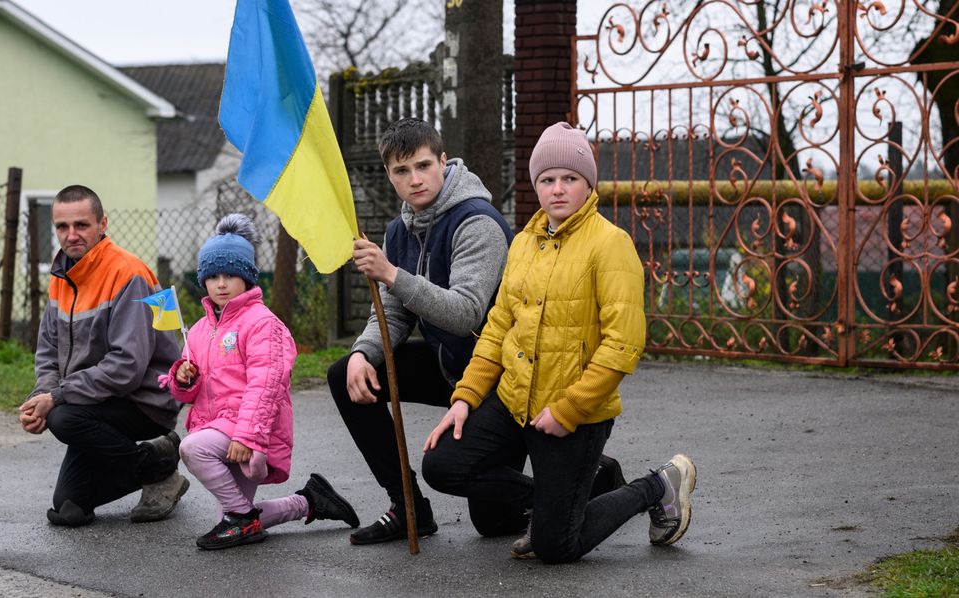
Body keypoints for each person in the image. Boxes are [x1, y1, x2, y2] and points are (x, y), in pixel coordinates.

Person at [420, 122, 697, 563]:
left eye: (569, 178)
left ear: (588, 183)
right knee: (442, 464)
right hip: (514, 400)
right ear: (536, 186)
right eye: (547, 180)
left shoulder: (610, 244)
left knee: (556, 547)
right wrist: (465, 398)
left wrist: (570, 409)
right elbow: (496, 328)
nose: (558, 189)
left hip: (575, 413)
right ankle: (559, 505)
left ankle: (657, 485)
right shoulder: (524, 243)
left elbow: (623, 343)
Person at [327, 117, 520, 545]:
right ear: (389, 175)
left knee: (496, 523)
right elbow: (394, 314)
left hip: (500, 381)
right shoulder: (399, 230)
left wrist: (392, 274)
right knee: (346, 373)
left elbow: (465, 313)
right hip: (450, 368)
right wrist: (363, 353)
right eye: (402, 170)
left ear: (443, 162)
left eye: (423, 165)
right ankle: (407, 506)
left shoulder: (477, 222)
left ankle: (589, 477)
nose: (415, 180)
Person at [165, 214, 360, 550]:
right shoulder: (198, 330)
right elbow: (191, 390)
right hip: (217, 425)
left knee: (191, 448)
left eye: (230, 275)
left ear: (247, 277)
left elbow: (266, 385)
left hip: (247, 429)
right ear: (203, 281)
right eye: (212, 276)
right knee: (230, 516)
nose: (221, 283)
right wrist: (183, 378)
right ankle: (309, 502)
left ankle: (241, 518)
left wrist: (247, 436)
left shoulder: (262, 324)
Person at [19, 184, 188, 527]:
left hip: (145, 400)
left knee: (63, 419)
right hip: (93, 400)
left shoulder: (129, 273)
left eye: (81, 225)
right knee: (68, 509)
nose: (71, 235)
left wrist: (57, 397)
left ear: (102, 224)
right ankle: (159, 455)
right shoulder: (61, 277)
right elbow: (48, 353)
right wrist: (41, 395)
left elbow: (127, 367)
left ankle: (157, 473)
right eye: (62, 227)